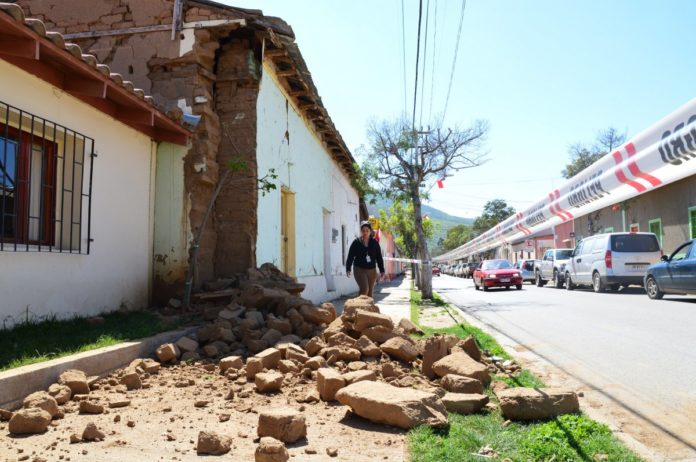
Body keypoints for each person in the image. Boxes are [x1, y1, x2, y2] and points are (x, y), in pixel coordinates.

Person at [346, 221, 385, 297]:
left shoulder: (375, 243)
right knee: (364, 289)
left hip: (371, 270)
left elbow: (379, 257)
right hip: (359, 269)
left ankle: (367, 308)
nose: (365, 232)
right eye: (363, 231)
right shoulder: (356, 242)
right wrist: (348, 268)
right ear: (361, 231)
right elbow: (350, 256)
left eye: (367, 230)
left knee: (370, 293)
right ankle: (360, 306)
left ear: (370, 231)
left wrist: (382, 270)